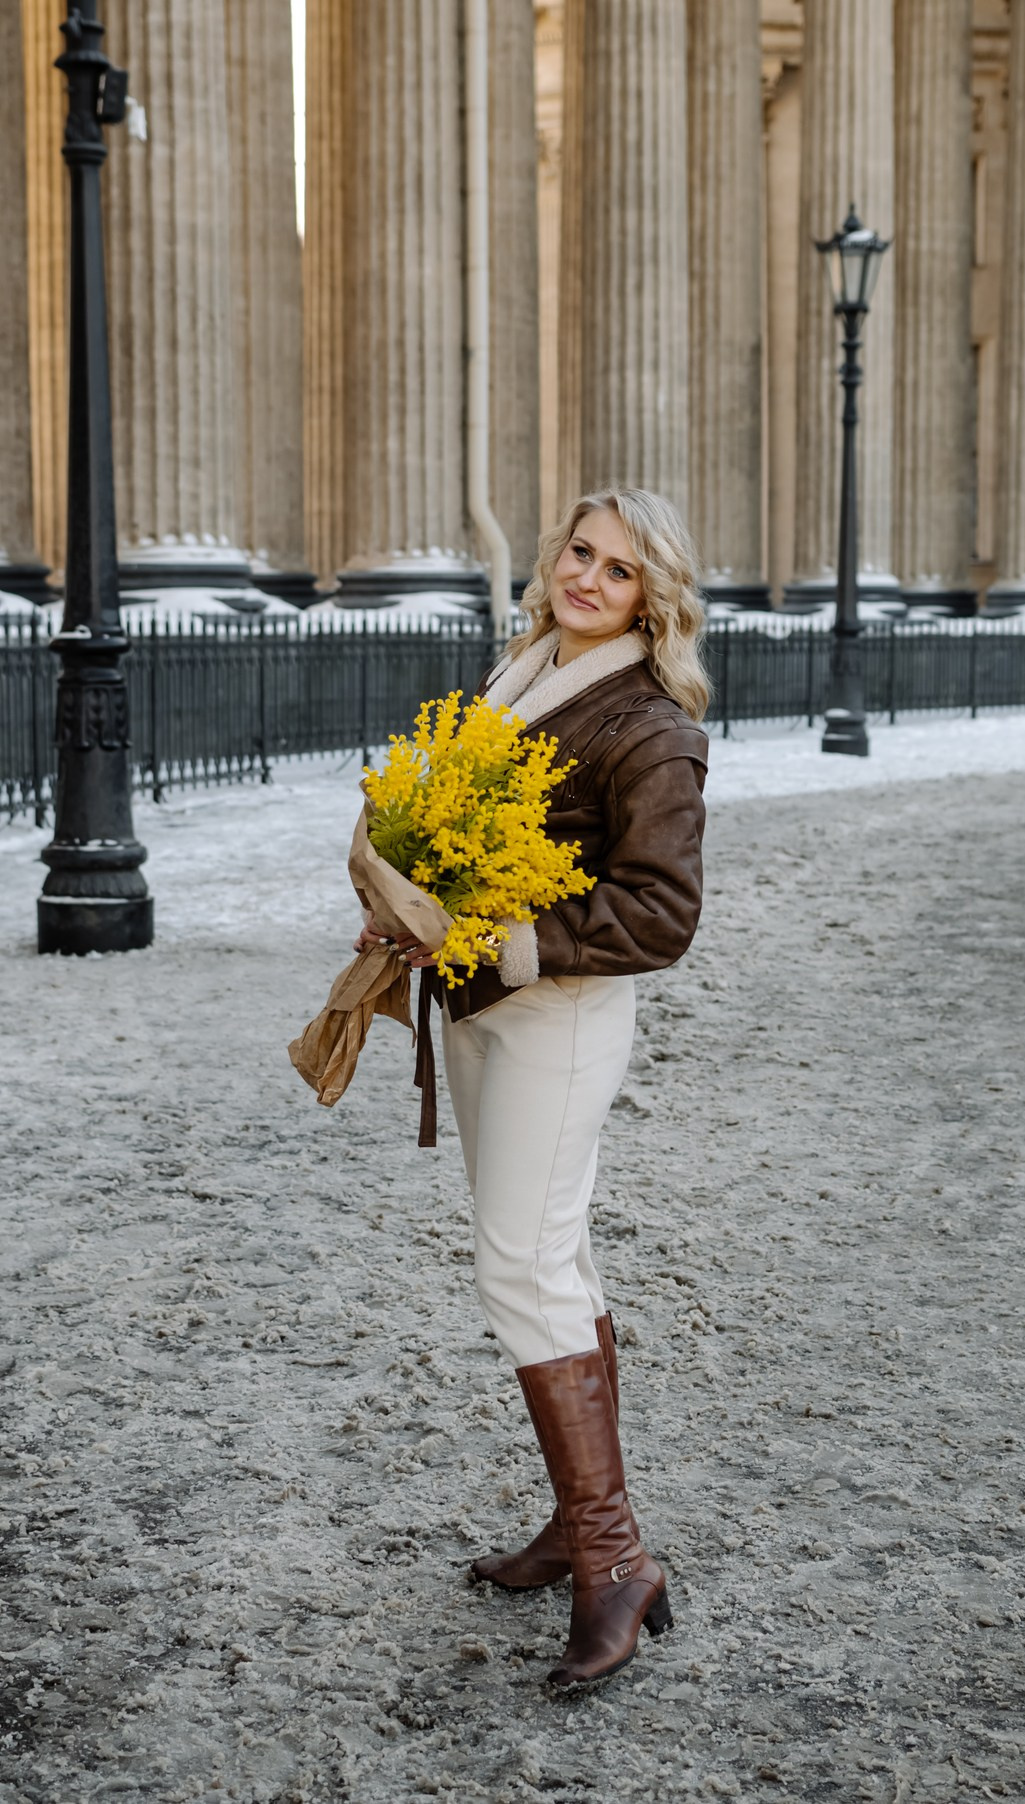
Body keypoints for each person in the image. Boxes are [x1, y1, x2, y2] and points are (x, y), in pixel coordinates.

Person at [355, 486, 709, 1687]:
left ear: (651, 599)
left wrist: (500, 936)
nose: (585, 579)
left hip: (555, 1018)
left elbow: (660, 913)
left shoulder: (651, 727)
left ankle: (615, 1559)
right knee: (556, 1257)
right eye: (579, 552)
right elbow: (461, 833)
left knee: (520, 1266)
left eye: (618, 570)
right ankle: (575, 1522)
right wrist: (410, 901)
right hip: (478, 1009)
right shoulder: (519, 671)